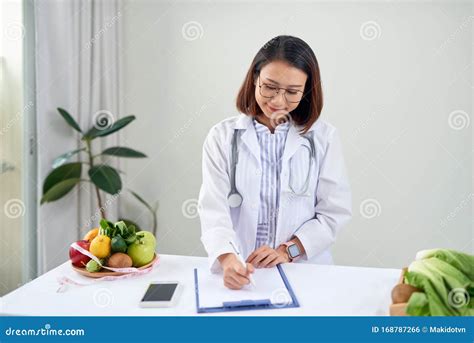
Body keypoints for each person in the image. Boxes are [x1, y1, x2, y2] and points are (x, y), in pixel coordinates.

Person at [198, 35, 352, 290]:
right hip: (242, 268)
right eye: (269, 86)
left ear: (306, 92)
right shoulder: (222, 137)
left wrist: (287, 250)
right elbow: (213, 210)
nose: (278, 101)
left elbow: (333, 212)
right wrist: (227, 260)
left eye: (292, 92)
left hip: (303, 271)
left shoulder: (324, 138)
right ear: (255, 78)